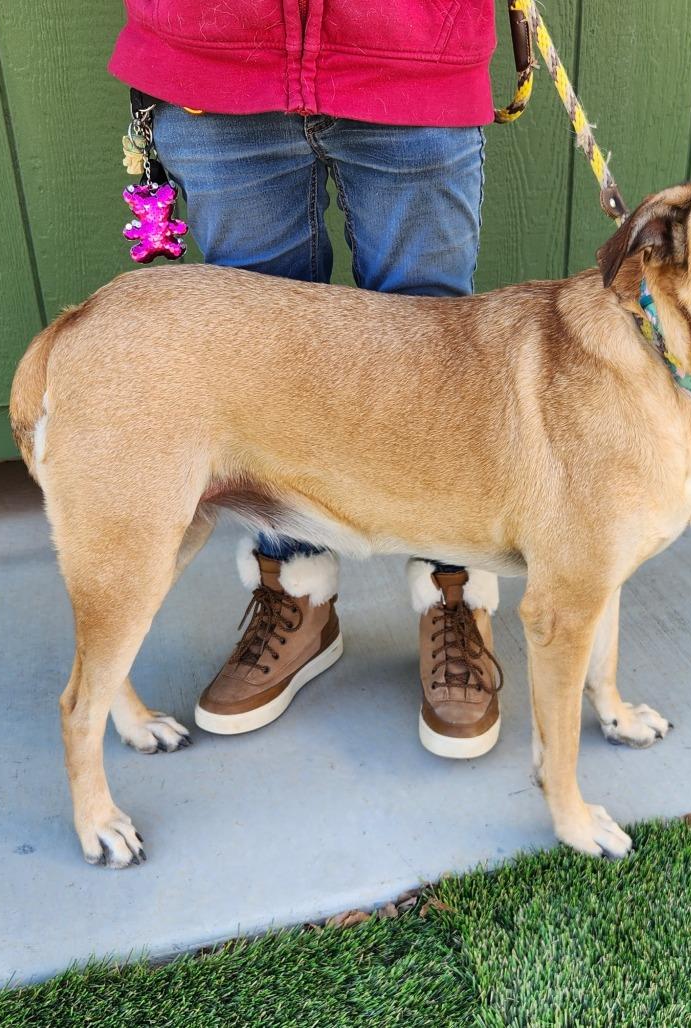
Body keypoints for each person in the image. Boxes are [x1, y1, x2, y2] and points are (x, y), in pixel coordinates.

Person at [109, 0, 504, 759]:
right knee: (256, 383)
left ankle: (452, 594)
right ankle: (296, 595)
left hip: (415, 43)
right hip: (216, 56)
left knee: (439, 370)